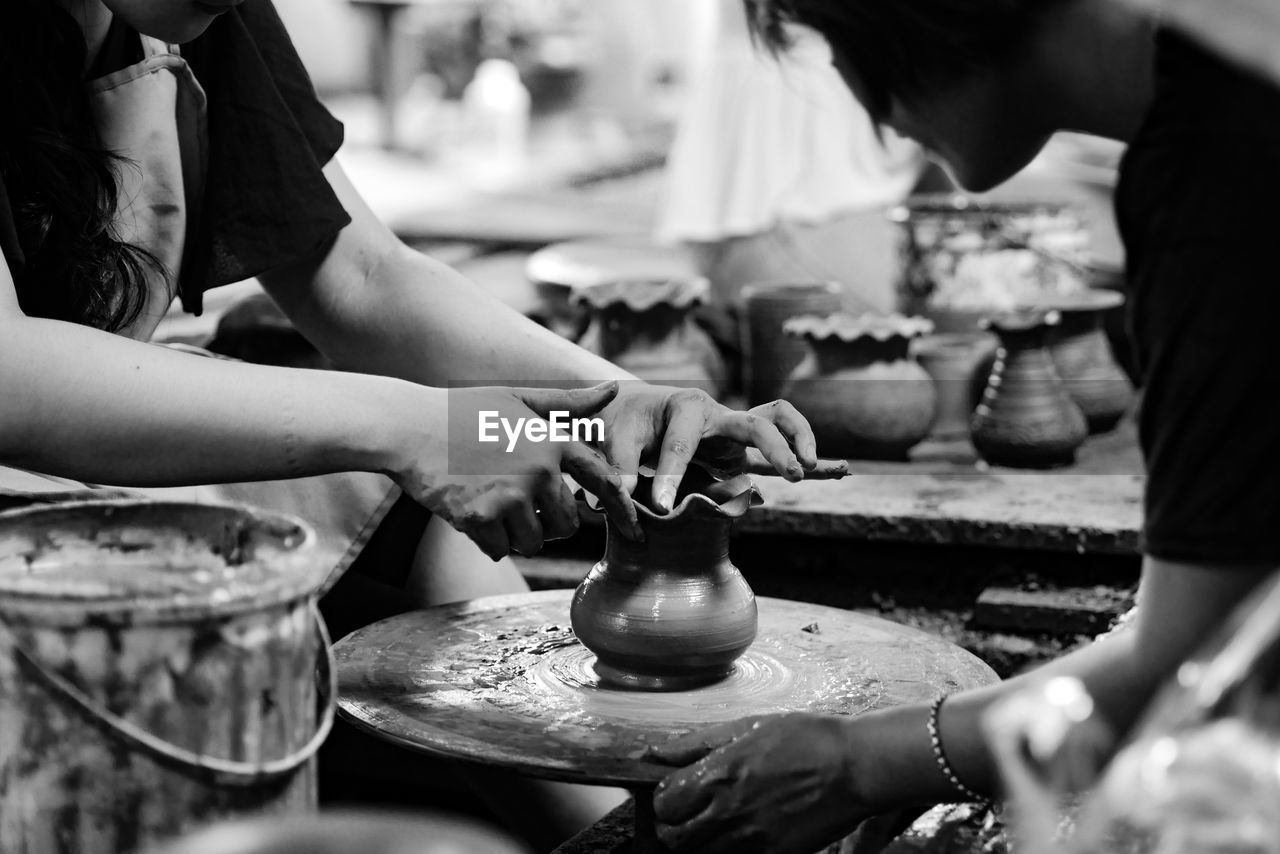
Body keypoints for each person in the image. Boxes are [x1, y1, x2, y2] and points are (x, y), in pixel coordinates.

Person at [0, 0, 820, 848]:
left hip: (88, 459)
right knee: (411, 445)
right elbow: (10, 374)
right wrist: (410, 426)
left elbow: (357, 273)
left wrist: (623, 402)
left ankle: (635, 836)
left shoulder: (197, 16)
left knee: (437, 471)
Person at [648, 1, 1280, 852]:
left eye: (837, 36)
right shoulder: (1217, 98)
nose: (851, 94)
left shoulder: (1227, 164)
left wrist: (856, 762)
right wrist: (520, 416)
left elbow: (1190, 655)